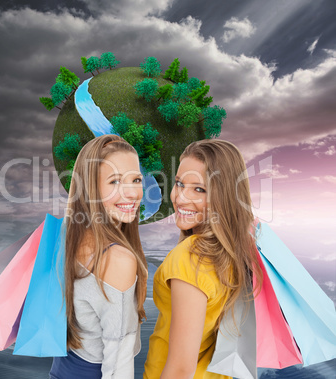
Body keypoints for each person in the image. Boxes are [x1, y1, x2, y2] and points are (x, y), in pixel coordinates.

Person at [143, 139, 263, 379]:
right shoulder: (239, 248)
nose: (180, 198)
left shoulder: (190, 257)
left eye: (199, 189)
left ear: (223, 196)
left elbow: (180, 369)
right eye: (179, 184)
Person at [49, 134, 148, 379]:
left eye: (136, 180)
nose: (132, 193)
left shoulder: (65, 237)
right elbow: (117, 368)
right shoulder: (118, 260)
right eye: (115, 182)